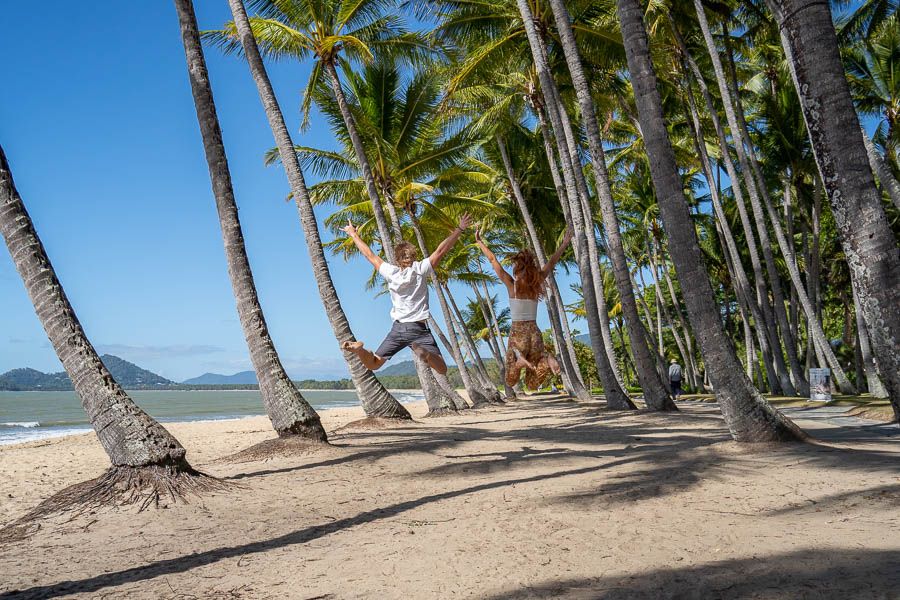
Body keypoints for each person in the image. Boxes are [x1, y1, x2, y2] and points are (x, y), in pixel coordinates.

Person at [340, 214, 472, 375]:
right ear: (414, 256)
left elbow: (369, 255)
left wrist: (353, 234)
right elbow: (441, 251)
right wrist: (459, 229)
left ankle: (359, 349)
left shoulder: (391, 272)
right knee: (442, 369)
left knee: (373, 364)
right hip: (418, 329)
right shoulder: (420, 268)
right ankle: (426, 354)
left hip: (399, 329)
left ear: (397, 259)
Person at [474, 228, 572, 390]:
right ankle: (546, 359)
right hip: (534, 332)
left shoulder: (511, 285)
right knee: (532, 384)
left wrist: (480, 242)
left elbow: (493, 260)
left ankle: (519, 363)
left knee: (510, 380)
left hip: (518, 333)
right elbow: (553, 262)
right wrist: (564, 243)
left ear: (517, 271)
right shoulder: (537, 282)